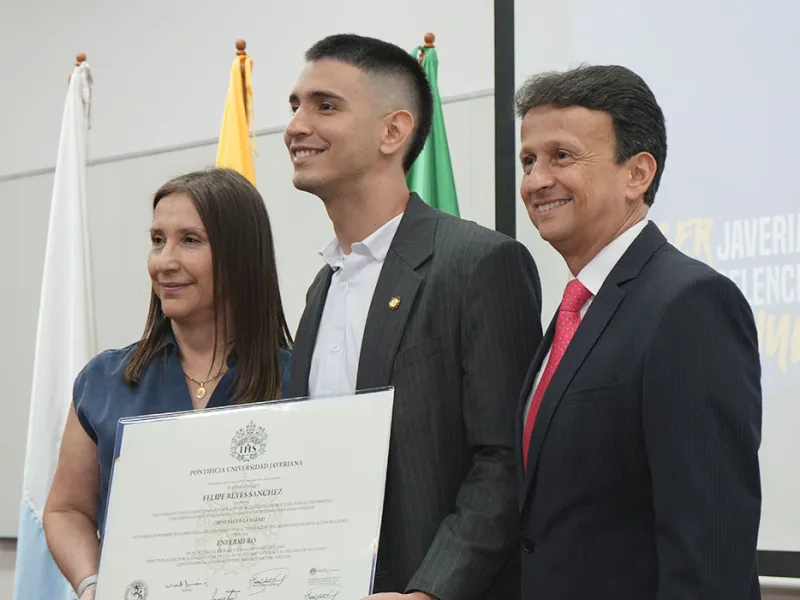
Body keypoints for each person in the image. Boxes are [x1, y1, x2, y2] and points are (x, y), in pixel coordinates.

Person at [285, 34, 542, 600]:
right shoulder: (320, 290)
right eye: (295, 106)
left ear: (393, 131)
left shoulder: (479, 264)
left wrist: (428, 593)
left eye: (325, 106)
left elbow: (504, 463)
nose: (297, 126)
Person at [514, 64, 762, 599]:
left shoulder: (690, 304)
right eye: (528, 160)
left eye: (562, 156)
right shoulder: (574, 310)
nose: (535, 181)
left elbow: (710, 551)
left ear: (637, 174)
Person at [42, 168, 294, 600]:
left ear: (240, 255)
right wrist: (91, 584)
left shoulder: (302, 381)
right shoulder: (104, 382)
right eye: (158, 240)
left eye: (190, 240)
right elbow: (67, 510)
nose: (163, 261)